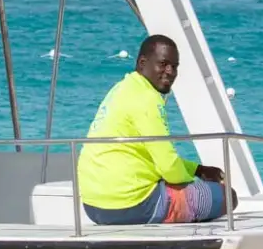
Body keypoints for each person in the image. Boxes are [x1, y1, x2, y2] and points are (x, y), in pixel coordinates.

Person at [79, 34, 230, 225]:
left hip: (94, 206)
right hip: (132, 205)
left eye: (174, 66)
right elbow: (169, 168)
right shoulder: (147, 99)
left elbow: (147, 153)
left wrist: (197, 169)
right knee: (226, 196)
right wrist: (194, 183)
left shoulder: (120, 89)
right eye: (163, 64)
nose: (170, 72)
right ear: (142, 63)